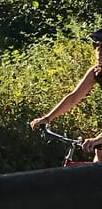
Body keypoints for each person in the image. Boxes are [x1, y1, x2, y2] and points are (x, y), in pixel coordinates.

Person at [30, 28, 102, 160]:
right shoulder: (96, 72)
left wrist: (98, 139)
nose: (98, 51)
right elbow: (74, 97)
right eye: (96, 45)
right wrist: (47, 118)